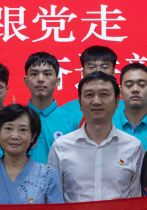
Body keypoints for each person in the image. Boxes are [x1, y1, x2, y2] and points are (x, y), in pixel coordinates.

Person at [50, 72, 142, 203]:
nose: (96, 101)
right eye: (89, 95)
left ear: (117, 101)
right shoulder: (60, 147)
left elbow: (137, 201)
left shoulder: (133, 146)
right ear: (80, 103)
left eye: (104, 94)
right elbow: (54, 200)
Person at [0, 104, 64, 204]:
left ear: (33, 136)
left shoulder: (48, 175)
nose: (14, 136)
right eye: (8, 128)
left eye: (23, 130)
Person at [23, 52, 83, 163]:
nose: (40, 79)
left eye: (47, 74)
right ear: (26, 81)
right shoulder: (14, 119)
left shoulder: (73, 122)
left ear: (57, 81)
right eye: (34, 74)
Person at [116, 63, 147, 151]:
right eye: (129, 85)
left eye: (142, 84)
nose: (135, 89)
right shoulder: (109, 128)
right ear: (120, 92)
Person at [62, 46, 120, 112]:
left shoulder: (126, 108)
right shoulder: (67, 109)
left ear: (113, 72)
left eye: (104, 67)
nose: (98, 71)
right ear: (83, 72)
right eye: (91, 67)